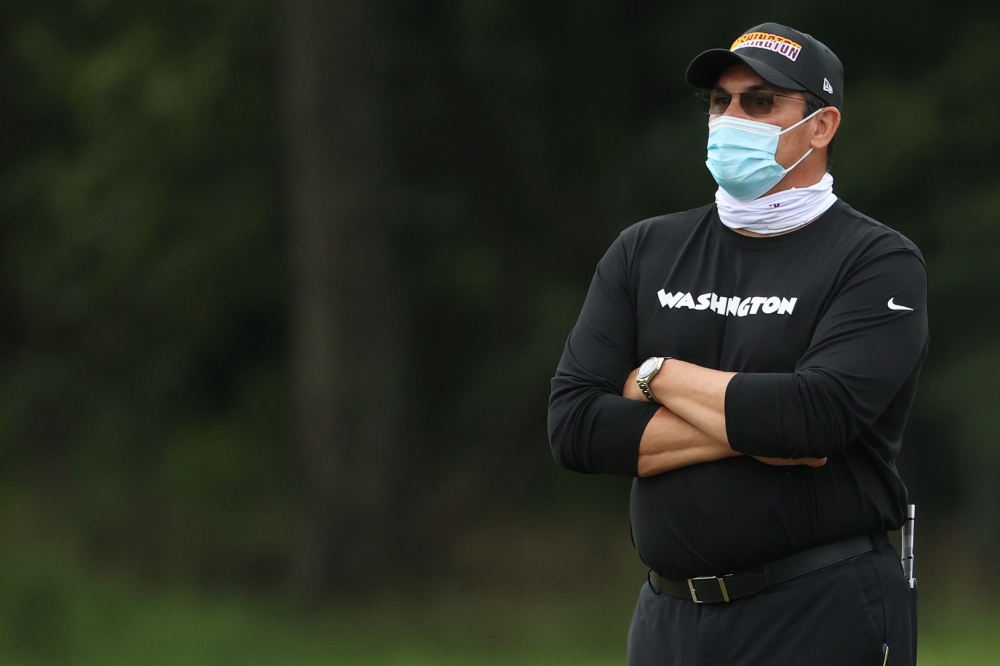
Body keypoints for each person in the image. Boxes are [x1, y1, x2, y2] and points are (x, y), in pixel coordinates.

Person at [547, 22, 927, 666]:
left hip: (820, 606)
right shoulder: (644, 250)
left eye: (760, 102)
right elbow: (575, 427)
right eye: (720, 102)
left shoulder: (877, 260)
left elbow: (815, 418)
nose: (731, 118)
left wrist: (653, 375)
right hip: (667, 619)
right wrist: (760, 426)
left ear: (821, 126)